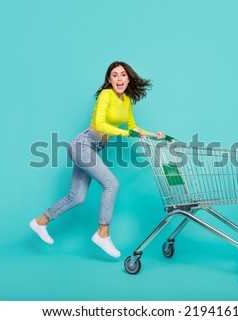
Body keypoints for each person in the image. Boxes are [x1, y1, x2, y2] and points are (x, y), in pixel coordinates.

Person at [29, 61, 165, 258]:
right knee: (111, 183)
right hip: (83, 144)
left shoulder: (126, 101)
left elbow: (133, 127)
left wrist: (154, 135)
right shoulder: (106, 95)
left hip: (94, 148)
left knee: (77, 197)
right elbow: (100, 123)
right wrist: (125, 134)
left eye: (123, 75)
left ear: (128, 79)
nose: (119, 78)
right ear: (109, 80)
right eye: (115, 75)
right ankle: (103, 233)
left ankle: (40, 221)